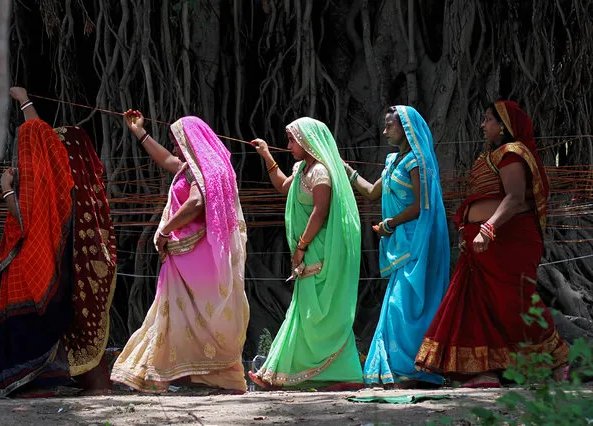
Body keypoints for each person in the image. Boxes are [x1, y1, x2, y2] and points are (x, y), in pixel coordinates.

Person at [415, 100, 570, 387]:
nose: (483, 125)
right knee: (479, 305)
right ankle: (486, 371)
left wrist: (487, 229)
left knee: (515, 302)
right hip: (482, 246)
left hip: (507, 241)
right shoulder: (491, 156)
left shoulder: (512, 155)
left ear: (505, 126)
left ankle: (557, 359)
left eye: (488, 119)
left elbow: (514, 198)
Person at [110, 111, 250, 393]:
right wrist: (139, 132)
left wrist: (164, 230)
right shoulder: (197, 168)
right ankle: (192, 374)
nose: (174, 146)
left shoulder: (205, 172)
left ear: (191, 141)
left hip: (195, 257)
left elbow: (196, 203)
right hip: (194, 257)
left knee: (184, 313)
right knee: (188, 315)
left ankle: (177, 373)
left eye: (177, 141)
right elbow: (167, 161)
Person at [0, 87, 117, 396]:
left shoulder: (40, 187)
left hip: (29, 270)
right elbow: (45, 140)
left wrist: (6, 189)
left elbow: (21, 221)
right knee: (48, 321)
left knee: (30, 321)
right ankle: (51, 380)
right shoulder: (71, 193)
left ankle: (32, 383)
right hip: (53, 270)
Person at [248, 117, 363, 390]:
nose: (288, 145)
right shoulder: (302, 169)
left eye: (291, 140)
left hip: (318, 251)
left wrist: (301, 247)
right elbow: (283, 187)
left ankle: (285, 372)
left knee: (315, 312)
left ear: (306, 141)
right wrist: (266, 155)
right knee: (304, 310)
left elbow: (319, 212)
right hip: (307, 249)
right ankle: (282, 371)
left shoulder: (321, 173)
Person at [343, 106, 449, 388]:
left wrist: (390, 223)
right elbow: (370, 192)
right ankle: (400, 369)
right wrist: (346, 169)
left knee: (405, 306)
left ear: (406, 127)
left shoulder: (417, 162)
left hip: (416, 242)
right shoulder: (392, 162)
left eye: (390, 125)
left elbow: (420, 206)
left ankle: (414, 369)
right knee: (395, 306)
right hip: (399, 243)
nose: (385, 131)